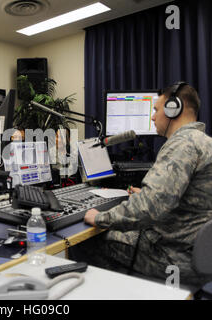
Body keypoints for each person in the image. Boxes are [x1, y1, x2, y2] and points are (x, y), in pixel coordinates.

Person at [69, 82, 212, 287]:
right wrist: (145, 195)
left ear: (174, 109)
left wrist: (100, 217)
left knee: (85, 242)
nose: (153, 116)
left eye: (156, 109)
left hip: (174, 257)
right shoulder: (204, 142)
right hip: (197, 251)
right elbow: (187, 200)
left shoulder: (183, 144)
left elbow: (150, 208)